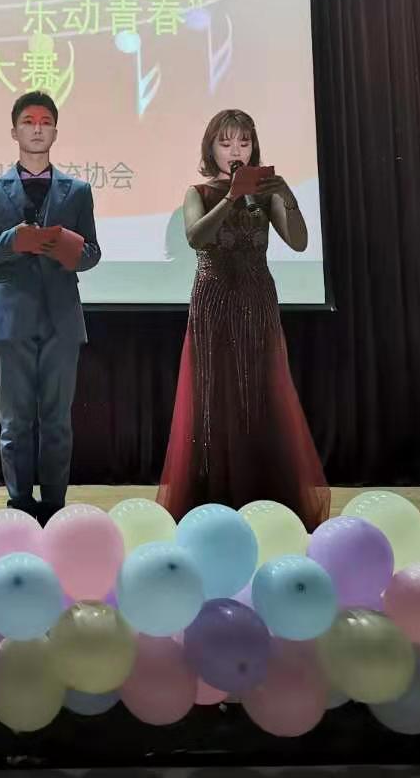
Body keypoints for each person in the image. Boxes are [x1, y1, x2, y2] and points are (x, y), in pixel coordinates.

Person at [155, 109, 329, 529]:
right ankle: (211, 501)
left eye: (244, 143)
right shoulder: (198, 192)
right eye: (226, 142)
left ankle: (266, 500)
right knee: (213, 398)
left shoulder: (265, 196)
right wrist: (231, 196)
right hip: (214, 305)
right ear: (210, 148)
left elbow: (299, 242)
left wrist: (285, 192)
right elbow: (197, 237)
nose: (236, 150)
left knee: (261, 393)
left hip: (257, 302)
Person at [0, 91, 101, 524]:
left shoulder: (77, 191)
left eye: (45, 122)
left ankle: (55, 508)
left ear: (55, 132)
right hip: (11, 318)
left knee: (57, 421)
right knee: (14, 423)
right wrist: (14, 240)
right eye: (29, 121)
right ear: (14, 131)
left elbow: (92, 253)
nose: (37, 128)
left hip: (63, 317)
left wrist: (65, 247)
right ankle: (19, 505)